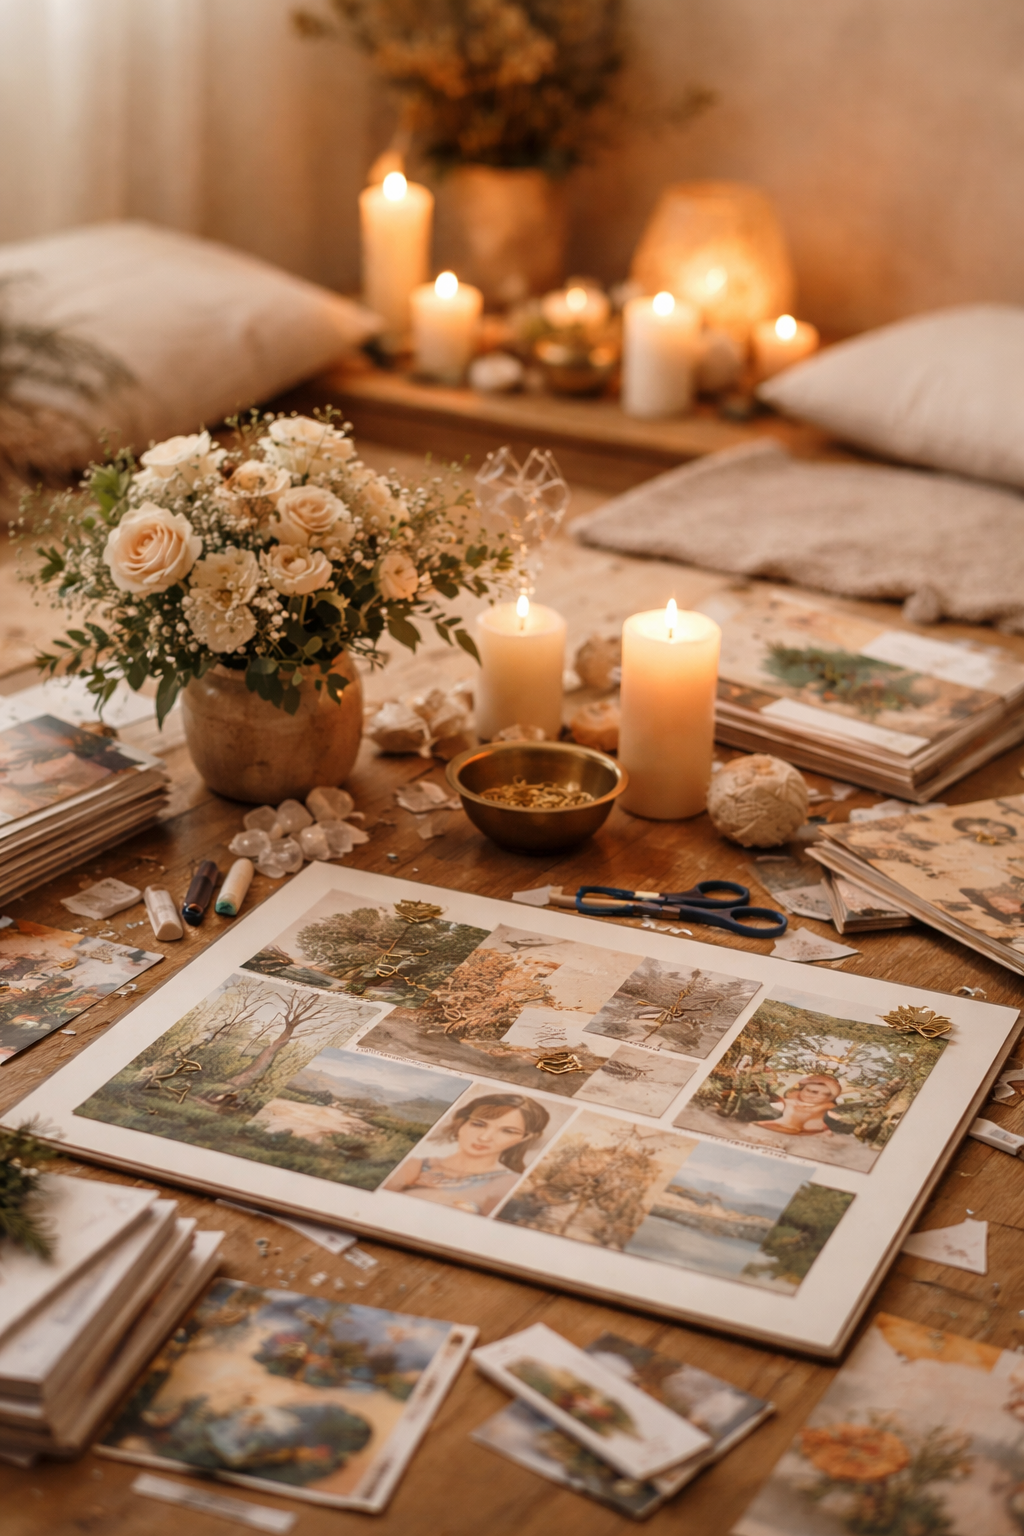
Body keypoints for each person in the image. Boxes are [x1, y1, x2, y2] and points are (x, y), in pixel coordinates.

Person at [384, 1093, 550, 1216]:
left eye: (507, 1131)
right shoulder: (415, 1165)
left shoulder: (509, 1184)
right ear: (461, 1123)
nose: (485, 1137)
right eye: (478, 1124)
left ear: (524, 1138)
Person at [754, 1074, 842, 1137]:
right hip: (776, 1128)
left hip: (806, 1135)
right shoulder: (788, 1102)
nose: (815, 1096)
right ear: (801, 1090)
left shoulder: (827, 1107)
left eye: (825, 1094)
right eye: (811, 1091)